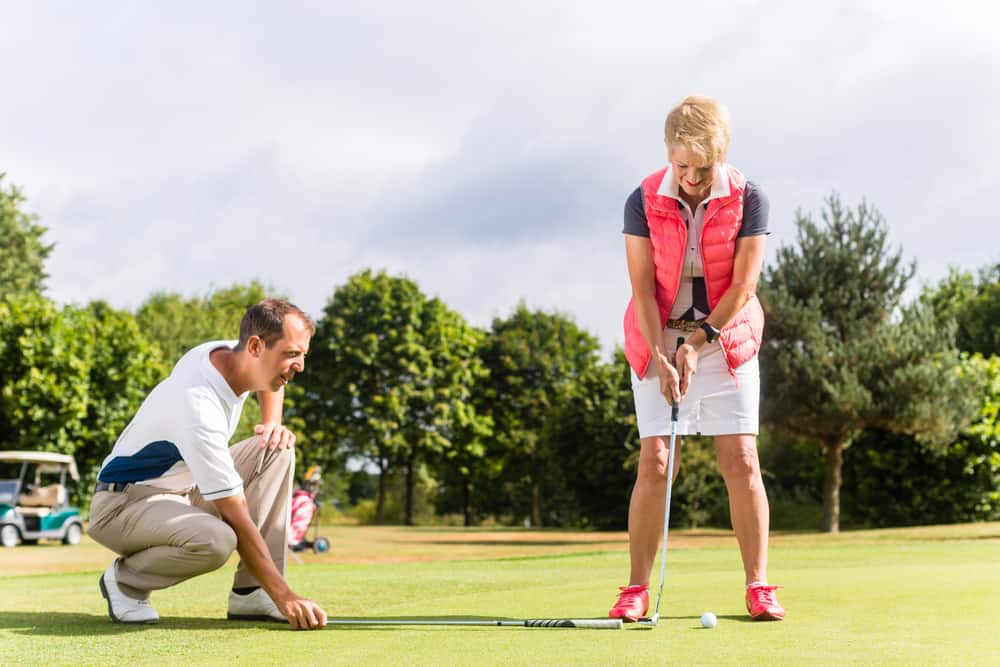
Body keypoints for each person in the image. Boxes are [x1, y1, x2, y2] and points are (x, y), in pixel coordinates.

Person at [610, 95, 785, 622]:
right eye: (680, 164)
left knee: (741, 458)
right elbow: (642, 288)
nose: (690, 176)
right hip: (657, 335)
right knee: (657, 459)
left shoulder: (749, 197)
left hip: (725, 336)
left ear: (720, 155)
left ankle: (758, 585)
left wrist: (698, 343)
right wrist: (664, 356)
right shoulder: (641, 199)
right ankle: (636, 588)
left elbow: (744, 284)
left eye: (701, 166)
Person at [88, 299, 328, 630]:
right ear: (256, 346)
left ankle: (251, 592)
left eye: (303, 354)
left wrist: (272, 422)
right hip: (123, 504)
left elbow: (270, 380)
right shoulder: (199, 407)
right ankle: (126, 580)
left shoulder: (233, 355)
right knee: (217, 540)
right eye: (291, 354)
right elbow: (237, 516)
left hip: (183, 489)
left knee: (276, 447)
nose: (300, 365)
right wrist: (285, 596)